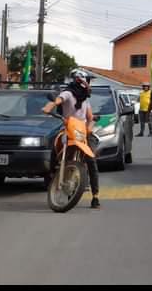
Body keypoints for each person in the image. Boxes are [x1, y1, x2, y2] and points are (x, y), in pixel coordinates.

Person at [43, 70, 101, 210]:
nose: (88, 85)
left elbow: (90, 117)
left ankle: (95, 196)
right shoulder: (68, 93)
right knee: (54, 144)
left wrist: (90, 127)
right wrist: (50, 105)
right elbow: (59, 100)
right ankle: (51, 174)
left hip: (82, 132)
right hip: (68, 128)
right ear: (79, 81)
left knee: (91, 160)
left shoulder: (86, 100)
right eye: (87, 82)